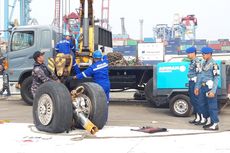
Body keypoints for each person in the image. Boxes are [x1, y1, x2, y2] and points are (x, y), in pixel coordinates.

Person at [194, 47, 219, 130]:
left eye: (204, 54)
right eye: (202, 54)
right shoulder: (203, 63)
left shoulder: (214, 64)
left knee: (212, 106)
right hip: (202, 87)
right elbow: (200, 76)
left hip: (209, 88)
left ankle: (215, 124)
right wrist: (197, 87)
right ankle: (208, 121)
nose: (203, 55)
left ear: (209, 54)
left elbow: (216, 78)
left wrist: (213, 91)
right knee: (202, 105)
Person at [185, 47, 202, 124]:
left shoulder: (197, 62)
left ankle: (200, 119)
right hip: (191, 82)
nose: (188, 55)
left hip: (195, 83)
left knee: (197, 101)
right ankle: (197, 118)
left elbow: (199, 74)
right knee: (193, 101)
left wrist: (197, 86)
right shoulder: (192, 61)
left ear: (193, 53)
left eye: (189, 53)